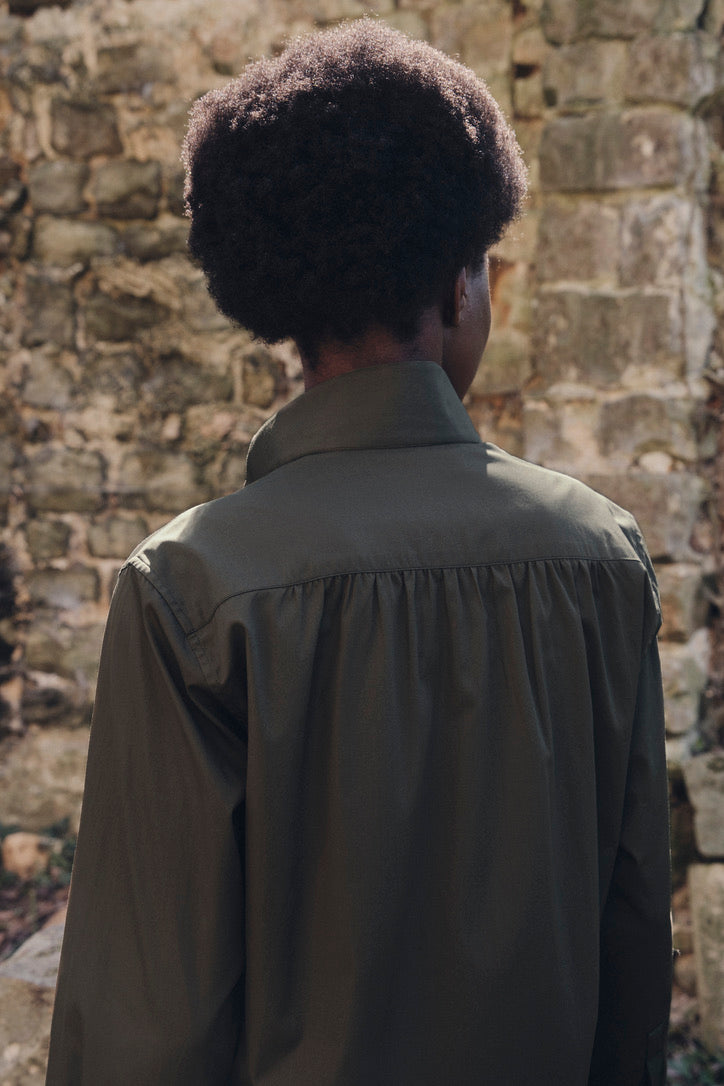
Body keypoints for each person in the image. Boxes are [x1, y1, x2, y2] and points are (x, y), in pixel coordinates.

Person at [46, 19, 672, 1085]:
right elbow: (631, 954)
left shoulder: (190, 589)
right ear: (460, 287)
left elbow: (143, 1030)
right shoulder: (602, 561)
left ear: (282, 309)